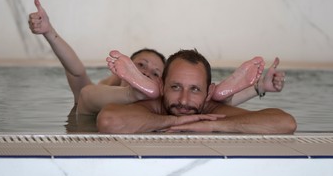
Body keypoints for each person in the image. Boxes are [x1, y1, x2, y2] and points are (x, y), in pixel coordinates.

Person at [28, 0, 285, 116]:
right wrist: (49, 32)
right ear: (121, 72)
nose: (148, 73)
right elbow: (76, 71)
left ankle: (218, 91)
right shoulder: (102, 90)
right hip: (92, 119)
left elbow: (197, 102)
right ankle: (135, 94)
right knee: (85, 95)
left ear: (159, 85)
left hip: (137, 115)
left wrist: (259, 87)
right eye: (140, 66)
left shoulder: (163, 100)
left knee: (195, 100)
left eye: (154, 74)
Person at [97, 49, 297, 134]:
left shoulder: (211, 110)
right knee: (89, 98)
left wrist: (214, 127)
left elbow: (285, 123)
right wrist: (173, 121)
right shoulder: (153, 106)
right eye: (175, 87)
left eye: (194, 89)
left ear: (208, 93)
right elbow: (108, 121)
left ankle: (233, 91)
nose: (183, 100)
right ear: (162, 87)